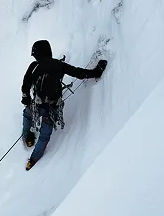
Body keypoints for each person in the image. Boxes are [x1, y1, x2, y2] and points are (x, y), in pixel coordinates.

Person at [21, 39, 107, 170]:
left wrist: (26, 98)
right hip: (51, 108)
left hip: (36, 105)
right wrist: (96, 72)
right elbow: (79, 73)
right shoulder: (58, 65)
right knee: (44, 136)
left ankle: (28, 137)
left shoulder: (34, 66)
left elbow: (26, 84)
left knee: (27, 114)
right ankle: (31, 161)